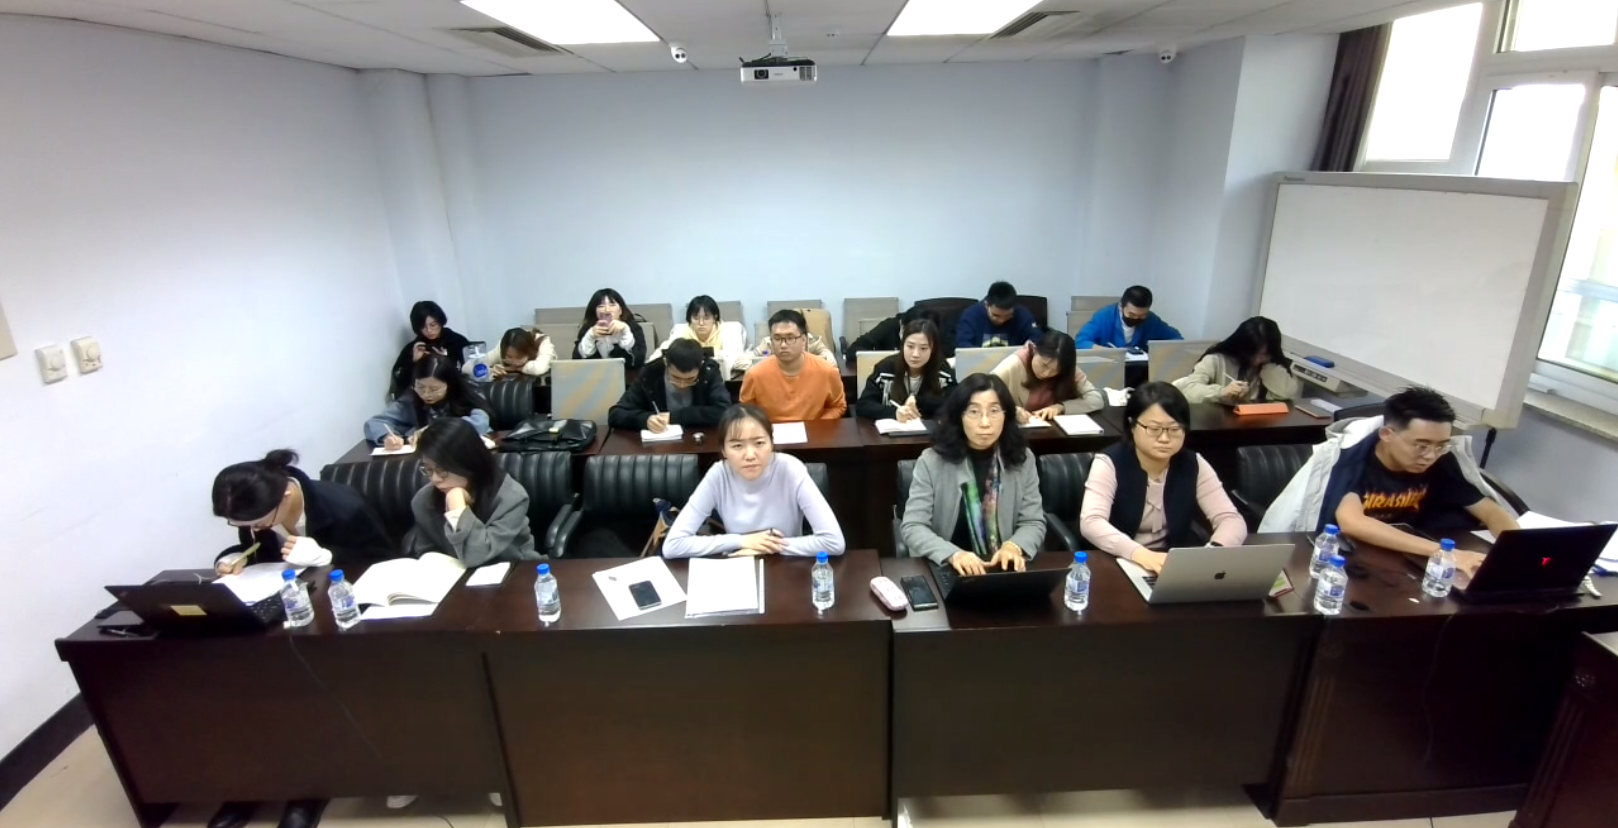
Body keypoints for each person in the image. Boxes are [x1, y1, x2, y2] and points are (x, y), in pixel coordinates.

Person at [1326, 387, 1518, 572]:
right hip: (1353, 556)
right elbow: (1353, 522)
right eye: (1421, 446)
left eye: (1440, 446)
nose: (1431, 456)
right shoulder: (1354, 461)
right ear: (1387, 435)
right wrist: (1446, 553)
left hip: (1410, 554)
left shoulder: (1441, 463)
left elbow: (1490, 511)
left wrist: (1514, 549)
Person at [1080, 382, 1247, 574]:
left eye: (1174, 429)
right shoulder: (1110, 462)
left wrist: (1213, 552)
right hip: (1114, 562)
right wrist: (1142, 555)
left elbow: (1230, 519)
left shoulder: (1193, 463)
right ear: (1132, 425)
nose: (1165, 438)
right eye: (1154, 429)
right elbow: (1091, 522)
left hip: (1170, 565)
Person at [900, 374, 1047, 575]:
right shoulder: (931, 461)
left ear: (1006, 415)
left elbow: (1033, 521)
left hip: (1003, 569)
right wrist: (953, 554)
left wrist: (1014, 546)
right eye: (974, 412)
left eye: (994, 411)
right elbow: (913, 526)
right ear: (959, 416)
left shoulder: (1022, 459)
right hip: (947, 567)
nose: (985, 423)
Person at [663, 404, 845, 558]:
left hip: (787, 566)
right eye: (737, 446)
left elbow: (834, 542)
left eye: (759, 443)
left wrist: (767, 546)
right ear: (724, 451)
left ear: (771, 443)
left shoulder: (790, 469)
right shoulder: (718, 475)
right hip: (740, 563)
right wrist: (741, 541)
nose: (750, 455)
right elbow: (673, 545)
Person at [212, 449, 393, 574]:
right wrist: (232, 558)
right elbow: (256, 550)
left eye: (260, 523)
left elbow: (383, 559)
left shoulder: (347, 509)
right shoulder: (254, 512)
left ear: (285, 496)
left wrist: (328, 556)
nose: (254, 529)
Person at [404, 418, 538, 567]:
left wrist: (457, 509)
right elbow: (426, 552)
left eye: (442, 470)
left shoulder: (511, 497)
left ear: (468, 462)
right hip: (456, 574)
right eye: (428, 469)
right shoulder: (423, 500)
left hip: (516, 570)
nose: (435, 479)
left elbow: (475, 556)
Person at [740, 309, 847, 421]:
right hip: (771, 430)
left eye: (790, 338)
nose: (783, 345)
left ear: (804, 340)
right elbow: (746, 411)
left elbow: (838, 406)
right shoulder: (755, 375)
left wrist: (818, 425)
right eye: (777, 338)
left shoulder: (827, 371)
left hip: (813, 429)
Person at [365, 354, 492, 447]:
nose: (426, 394)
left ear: (450, 385)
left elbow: (480, 423)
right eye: (420, 387)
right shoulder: (411, 399)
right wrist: (387, 437)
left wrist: (437, 429)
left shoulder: (468, 392)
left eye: (434, 389)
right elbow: (376, 422)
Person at [608, 338, 732, 433]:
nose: (682, 385)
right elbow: (616, 414)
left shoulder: (709, 372)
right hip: (660, 444)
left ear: (701, 365)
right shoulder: (650, 373)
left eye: (690, 379)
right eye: (676, 378)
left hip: (700, 438)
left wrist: (675, 417)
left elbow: (724, 411)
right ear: (666, 363)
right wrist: (645, 419)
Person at [1172, 316, 1299, 403]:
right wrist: (1221, 392)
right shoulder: (1216, 360)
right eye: (1252, 353)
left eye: (1264, 354)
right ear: (1241, 346)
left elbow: (1287, 395)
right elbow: (1190, 391)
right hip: (1215, 423)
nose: (1256, 360)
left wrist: (1269, 367)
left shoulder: (1270, 366)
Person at [855, 319, 957, 422]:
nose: (915, 354)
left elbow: (956, 402)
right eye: (910, 346)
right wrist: (894, 413)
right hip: (892, 429)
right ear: (903, 345)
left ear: (933, 349)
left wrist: (919, 401)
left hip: (929, 429)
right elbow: (863, 405)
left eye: (923, 348)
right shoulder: (885, 368)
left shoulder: (942, 370)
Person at [990, 331, 1103, 422]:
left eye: (1055, 371)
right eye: (1044, 365)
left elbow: (1096, 399)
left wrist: (1061, 407)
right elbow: (984, 393)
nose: (1046, 374)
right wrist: (1013, 410)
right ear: (1034, 350)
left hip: (1054, 432)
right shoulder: (1014, 364)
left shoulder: (1067, 369)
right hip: (1019, 432)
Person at [648, 295, 748, 376]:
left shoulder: (729, 330)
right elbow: (662, 354)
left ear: (715, 317)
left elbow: (732, 357)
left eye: (706, 318)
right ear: (689, 319)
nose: (701, 323)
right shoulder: (682, 331)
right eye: (695, 318)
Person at [389, 300, 472, 396]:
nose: (429, 330)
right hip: (424, 397)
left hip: (457, 393)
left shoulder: (456, 341)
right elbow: (400, 383)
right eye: (423, 327)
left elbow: (472, 370)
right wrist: (414, 361)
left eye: (433, 325)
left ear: (440, 322)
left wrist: (445, 362)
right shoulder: (415, 348)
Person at [1074, 286, 1183, 349]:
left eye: (1142, 316)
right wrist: (1107, 352)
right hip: (1108, 367)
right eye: (1131, 315)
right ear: (1121, 307)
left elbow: (1176, 339)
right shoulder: (1104, 316)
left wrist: (1157, 350)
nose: (1136, 318)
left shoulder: (1151, 320)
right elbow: (1080, 341)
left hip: (1139, 370)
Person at [572, 287, 647, 368]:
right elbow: (577, 362)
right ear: (595, 311)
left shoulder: (633, 327)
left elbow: (638, 360)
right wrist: (590, 337)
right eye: (601, 306)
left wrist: (625, 332)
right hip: (596, 374)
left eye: (612, 305)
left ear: (620, 310)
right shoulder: (587, 329)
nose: (607, 310)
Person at [845, 304, 945, 365]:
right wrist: (889, 360)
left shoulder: (935, 330)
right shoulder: (890, 326)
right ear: (902, 326)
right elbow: (853, 350)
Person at [954, 281, 1041, 349]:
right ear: (986, 305)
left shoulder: (1022, 314)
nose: (1001, 320)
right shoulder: (971, 315)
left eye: (1008, 316)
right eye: (996, 315)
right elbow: (962, 344)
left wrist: (1032, 343)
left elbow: (1037, 336)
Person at [463, 327, 555, 380]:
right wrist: (490, 370)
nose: (514, 362)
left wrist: (510, 368)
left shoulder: (542, 342)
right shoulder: (502, 348)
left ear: (529, 351)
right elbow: (466, 368)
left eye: (519, 357)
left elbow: (538, 368)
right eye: (509, 357)